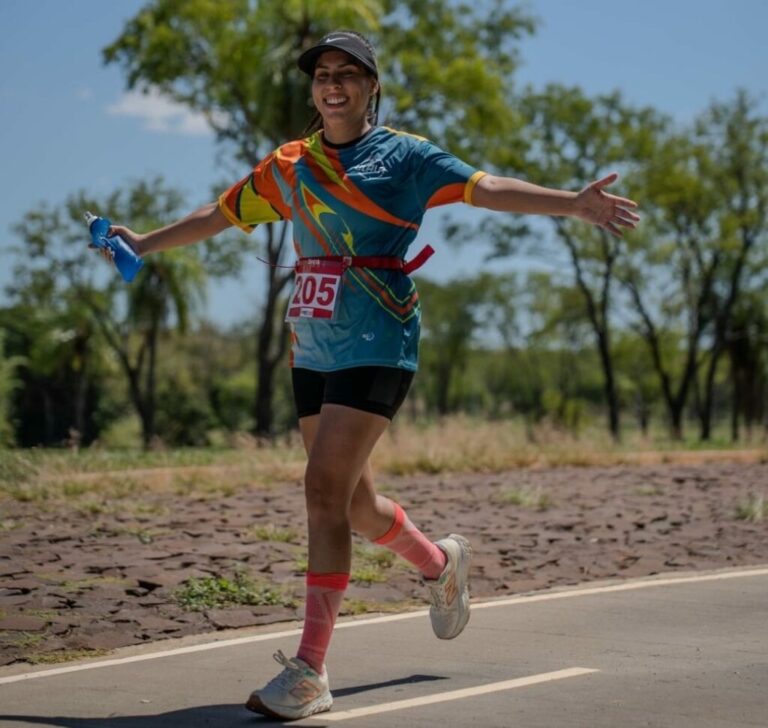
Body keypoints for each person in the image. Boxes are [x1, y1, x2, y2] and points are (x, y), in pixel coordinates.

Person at [97, 30, 639, 721]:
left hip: (380, 333)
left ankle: (310, 671)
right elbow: (221, 212)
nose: (332, 84)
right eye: (322, 74)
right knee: (352, 504)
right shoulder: (292, 165)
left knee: (322, 488)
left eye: (347, 74)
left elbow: (484, 187)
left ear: (371, 86)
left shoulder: (405, 158)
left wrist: (572, 202)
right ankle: (441, 566)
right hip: (314, 343)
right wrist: (144, 242)